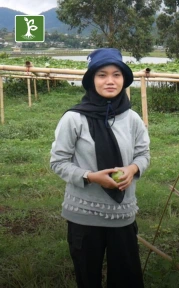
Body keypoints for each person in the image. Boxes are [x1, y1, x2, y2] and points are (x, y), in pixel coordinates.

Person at [50, 48, 150, 288]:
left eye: (116, 75)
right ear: (91, 80)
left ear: (124, 80)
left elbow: (143, 154)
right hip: (83, 215)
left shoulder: (132, 118)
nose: (110, 81)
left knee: (126, 278)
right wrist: (91, 177)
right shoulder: (74, 119)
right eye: (102, 75)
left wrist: (133, 169)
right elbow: (58, 162)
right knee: (87, 277)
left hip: (122, 216)